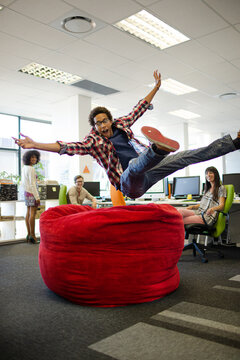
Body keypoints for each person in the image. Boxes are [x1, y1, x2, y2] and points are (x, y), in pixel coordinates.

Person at [12, 70, 240, 199]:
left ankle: (234, 142)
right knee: (133, 166)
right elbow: (65, 147)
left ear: (110, 120)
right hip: (129, 183)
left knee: (188, 156)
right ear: (94, 126)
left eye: (104, 121)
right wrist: (35, 144)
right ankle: (157, 149)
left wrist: (156, 88)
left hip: (150, 172)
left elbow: (138, 108)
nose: (101, 126)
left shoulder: (122, 124)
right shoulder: (93, 142)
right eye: (97, 123)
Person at [21, 150, 41, 244]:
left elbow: (25, 182)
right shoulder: (31, 169)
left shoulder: (24, 167)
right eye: (32, 157)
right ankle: (33, 235)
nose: (34, 159)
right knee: (32, 213)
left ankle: (29, 234)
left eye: (35, 157)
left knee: (28, 213)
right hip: (32, 193)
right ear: (28, 158)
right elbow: (33, 184)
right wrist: (37, 197)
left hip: (26, 192)